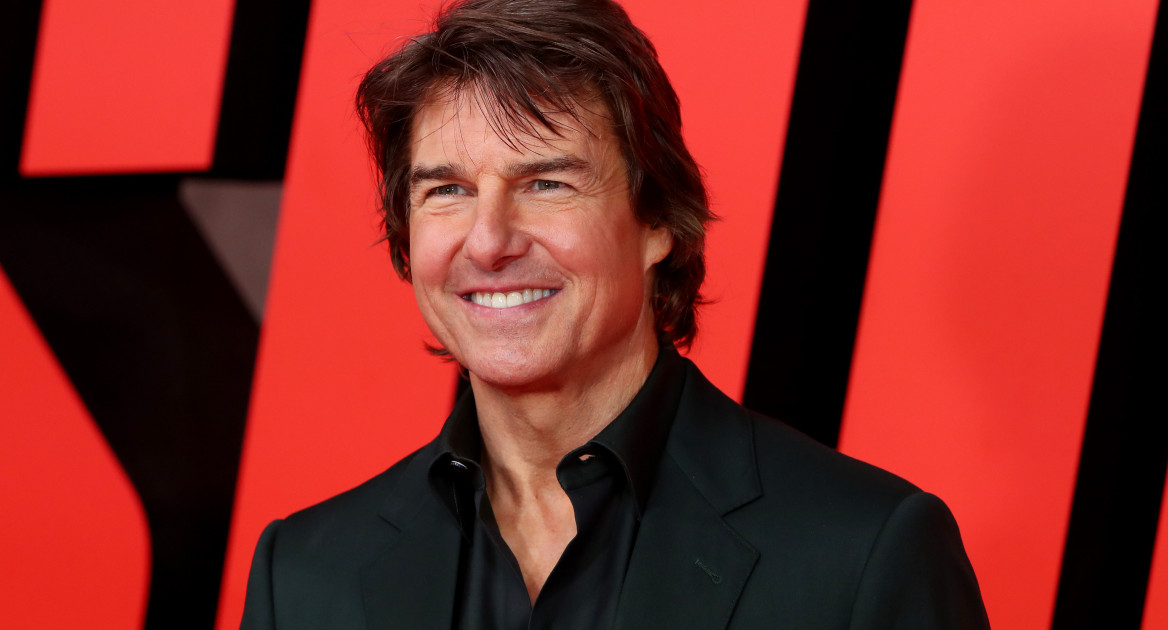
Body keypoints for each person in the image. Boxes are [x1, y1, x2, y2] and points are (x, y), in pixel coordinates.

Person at [240, 0, 990, 628]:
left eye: (547, 183)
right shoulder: (302, 576)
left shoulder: (864, 552)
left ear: (657, 222)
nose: (490, 241)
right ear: (407, 239)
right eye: (448, 190)